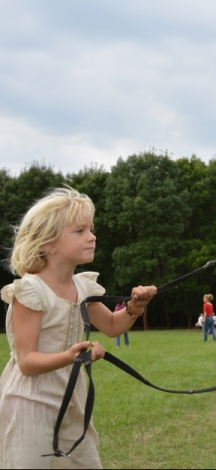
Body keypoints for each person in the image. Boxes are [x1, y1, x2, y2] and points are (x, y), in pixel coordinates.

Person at [0, 187, 157, 468]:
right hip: (29, 402)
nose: (92, 236)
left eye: (91, 229)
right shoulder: (30, 291)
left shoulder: (83, 286)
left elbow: (111, 325)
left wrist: (135, 307)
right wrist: (72, 356)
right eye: (80, 231)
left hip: (71, 396)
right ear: (49, 243)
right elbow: (27, 361)